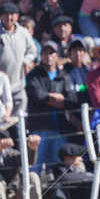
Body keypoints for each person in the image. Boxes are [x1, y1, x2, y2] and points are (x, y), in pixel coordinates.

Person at [25, 41, 79, 177]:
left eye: (51, 53)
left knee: (60, 170)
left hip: (59, 130)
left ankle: (57, 197)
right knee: (34, 169)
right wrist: (55, 97)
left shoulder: (63, 76)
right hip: (39, 130)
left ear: (57, 55)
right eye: (45, 53)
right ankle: (33, 197)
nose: (48, 56)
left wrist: (48, 100)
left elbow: (72, 100)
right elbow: (35, 94)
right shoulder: (34, 74)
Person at [0, 3, 37, 116]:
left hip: (19, 87)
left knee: (21, 119)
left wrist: (26, 61)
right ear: (0, 16)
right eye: (5, 14)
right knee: (2, 120)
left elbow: (33, 50)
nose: (9, 17)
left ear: (17, 16)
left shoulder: (24, 33)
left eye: (12, 14)